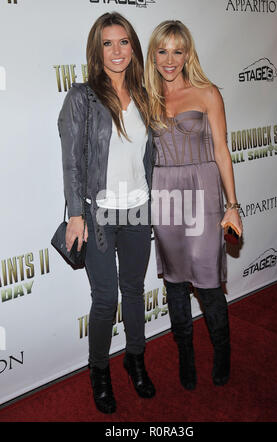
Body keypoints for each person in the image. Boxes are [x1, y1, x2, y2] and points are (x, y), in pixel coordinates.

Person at [58, 12, 155, 414]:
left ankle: (136, 358)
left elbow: (148, 156)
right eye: (107, 43)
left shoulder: (146, 95)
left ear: (133, 46)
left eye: (123, 42)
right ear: (97, 51)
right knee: (104, 299)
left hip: (138, 209)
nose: (116, 51)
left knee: (134, 290)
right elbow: (72, 162)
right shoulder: (82, 97)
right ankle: (99, 370)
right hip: (98, 214)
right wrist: (76, 214)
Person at [145, 20, 243, 390]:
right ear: (153, 55)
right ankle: (186, 353)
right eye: (163, 51)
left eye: (178, 51)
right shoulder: (147, 97)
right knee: (173, 281)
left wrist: (232, 204)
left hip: (203, 192)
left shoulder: (207, 92)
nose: (170, 59)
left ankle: (222, 351)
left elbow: (221, 150)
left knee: (207, 281)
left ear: (188, 55)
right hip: (164, 192)